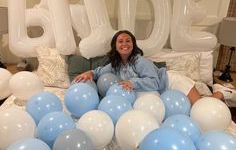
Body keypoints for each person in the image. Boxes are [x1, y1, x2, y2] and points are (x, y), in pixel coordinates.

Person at [74, 30, 236, 106]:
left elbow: (155, 82)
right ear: (115, 46)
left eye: (128, 40)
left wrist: (133, 83)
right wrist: (90, 72)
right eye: (120, 41)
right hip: (161, 95)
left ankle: (221, 92)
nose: (124, 44)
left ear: (133, 44)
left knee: (201, 107)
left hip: (171, 82)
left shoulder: (140, 61)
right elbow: (99, 73)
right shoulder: (114, 65)